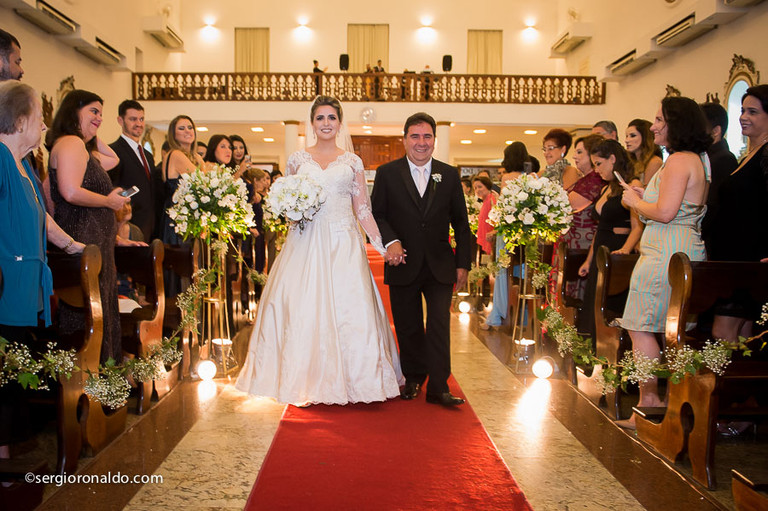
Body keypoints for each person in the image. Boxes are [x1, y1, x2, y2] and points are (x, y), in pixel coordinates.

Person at [236, 96, 403, 405]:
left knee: (349, 308)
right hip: (306, 240)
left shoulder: (352, 162)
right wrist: (292, 209)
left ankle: (358, 381)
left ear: (340, 123)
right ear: (311, 123)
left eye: (331, 118)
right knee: (303, 306)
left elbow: (363, 211)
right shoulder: (298, 160)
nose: (326, 123)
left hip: (343, 241)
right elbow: (289, 203)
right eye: (320, 118)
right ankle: (306, 380)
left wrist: (384, 246)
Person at [0, 81, 85, 459]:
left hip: (26, 283)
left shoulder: (23, 165)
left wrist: (73, 245)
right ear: (19, 121)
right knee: (5, 371)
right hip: (5, 283)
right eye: (39, 119)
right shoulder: (1, 159)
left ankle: (6, 453)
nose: (44, 128)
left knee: (14, 369)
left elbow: (43, 219)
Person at [618, 96, 712, 428]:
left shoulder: (677, 161)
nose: (654, 125)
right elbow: (676, 206)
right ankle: (672, 404)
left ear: (677, 124)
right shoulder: (695, 160)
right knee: (671, 330)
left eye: (659, 120)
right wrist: (646, 196)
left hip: (665, 253)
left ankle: (649, 402)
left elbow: (666, 213)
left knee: (641, 325)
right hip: (681, 247)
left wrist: (634, 201)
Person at [372, 112, 472, 406]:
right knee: (408, 324)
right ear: (404, 140)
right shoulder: (388, 173)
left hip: (440, 263)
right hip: (402, 262)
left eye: (427, 136)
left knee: (439, 324)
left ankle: (439, 386)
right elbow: (378, 214)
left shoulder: (449, 174)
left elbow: (462, 223)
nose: (421, 142)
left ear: (434, 141)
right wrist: (391, 241)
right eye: (415, 136)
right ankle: (413, 377)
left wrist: (463, 263)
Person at [46, 89, 137, 363]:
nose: (99, 117)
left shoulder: (81, 145)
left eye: (101, 113)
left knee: (100, 308)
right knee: (87, 310)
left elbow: (113, 159)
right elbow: (70, 192)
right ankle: (89, 378)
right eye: (93, 111)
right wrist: (109, 202)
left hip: (98, 241)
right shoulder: (71, 143)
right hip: (84, 236)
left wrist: (91, 130)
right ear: (74, 111)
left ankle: (103, 377)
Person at [709, 84, 768, 342]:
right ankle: (741, 382)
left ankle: (726, 383)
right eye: (743, 110)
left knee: (722, 332)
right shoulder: (748, 155)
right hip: (734, 258)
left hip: (750, 258)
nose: (743, 117)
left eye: (753, 112)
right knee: (743, 336)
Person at [576, 139, 643, 339]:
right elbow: (600, 227)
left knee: (610, 304)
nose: (596, 170)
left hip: (616, 250)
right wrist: (588, 260)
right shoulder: (606, 188)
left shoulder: (633, 184)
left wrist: (626, 250)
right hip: (600, 250)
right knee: (593, 303)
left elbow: (637, 225)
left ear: (612, 159)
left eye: (598, 164)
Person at [108, 100, 156, 241]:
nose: (139, 124)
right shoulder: (113, 151)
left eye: (141, 119)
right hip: (128, 223)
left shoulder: (147, 155)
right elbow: (113, 187)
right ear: (120, 120)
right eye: (133, 119)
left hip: (150, 223)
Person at [699, 102, 739, 256]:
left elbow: (713, 205)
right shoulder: (706, 157)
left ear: (716, 131)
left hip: (714, 242)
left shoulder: (723, 159)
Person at [625, 118, 663, 186]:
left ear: (645, 137)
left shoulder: (654, 162)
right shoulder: (633, 163)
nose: (626, 140)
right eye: (626, 136)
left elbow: (648, 194)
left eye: (632, 136)